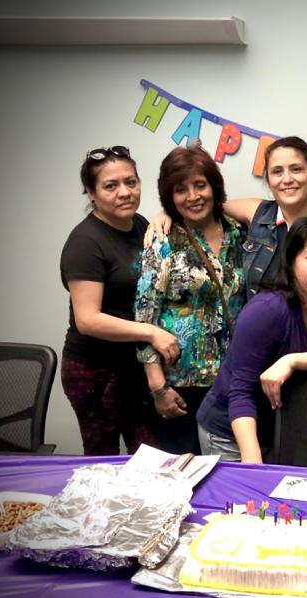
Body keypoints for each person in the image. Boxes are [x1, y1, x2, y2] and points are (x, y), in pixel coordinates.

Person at [196, 214, 307, 462]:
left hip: (281, 430)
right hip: (231, 433)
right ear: (292, 261)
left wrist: (292, 360)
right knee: (245, 498)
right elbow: (239, 392)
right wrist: (252, 460)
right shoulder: (266, 310)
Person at [60, 146, 179, 455]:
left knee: (150, 456)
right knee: (103, 462)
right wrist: (151, 332)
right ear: (91, 193)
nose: (125, 192)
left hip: (134, 367)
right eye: (111, 186)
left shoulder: (139, 225)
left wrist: (167, 212)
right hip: (95, 371)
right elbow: (88, 319)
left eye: (131, 182)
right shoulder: (85, 243)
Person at [134, 145, 245, 454]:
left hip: (231, 383)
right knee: (183, 480)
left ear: (214, 186)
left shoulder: (239, 234)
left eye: (200, 185)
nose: (193, 196)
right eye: (180, 189)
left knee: (227, 478)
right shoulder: (163, 240)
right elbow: (145, 316)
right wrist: (159, 388)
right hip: (180, 387)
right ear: (170, 197)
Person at [147, 136, 307, 300]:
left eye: (296, 169)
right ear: (268, 180)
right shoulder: (258, 213)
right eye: (277, 171)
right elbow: (205, 203)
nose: (287, 179)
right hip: (260, 334)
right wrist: (168, 212)